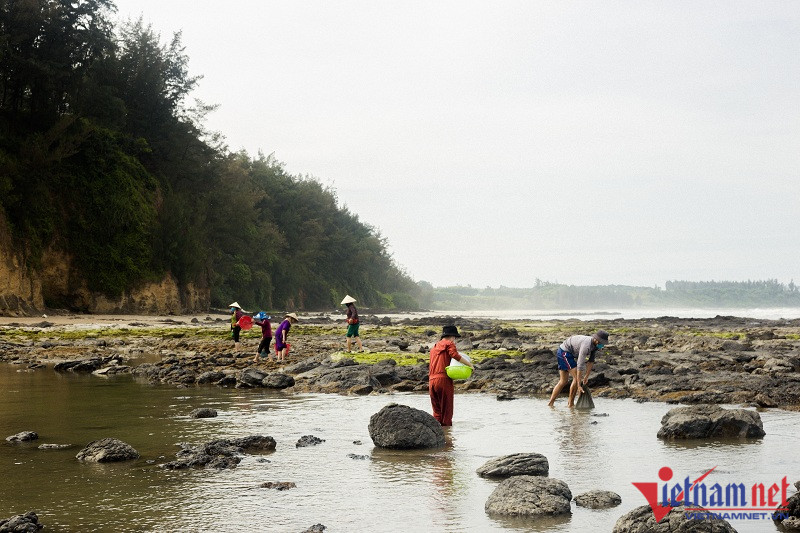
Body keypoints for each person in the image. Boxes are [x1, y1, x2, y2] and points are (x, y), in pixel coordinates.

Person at [547, 329, 609, 407]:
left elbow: (591, 361)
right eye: (602, 343)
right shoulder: (586, 346)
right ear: (597, 340)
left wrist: (586, 377)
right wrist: (579, 385)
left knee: (563, 381)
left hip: (569, 353)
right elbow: (580, 365)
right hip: (564, 353)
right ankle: (570, 404)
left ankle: (550, 404)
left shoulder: (595, 346)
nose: (602, 345)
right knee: (576, 379)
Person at [428, 325, 473, 426]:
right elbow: (455, 355)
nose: (455, 340)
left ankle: (439, 436)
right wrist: (469, 365)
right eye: (455, 338)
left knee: (437, 412)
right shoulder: (449, 344)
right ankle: (448, 439)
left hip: (431, 381)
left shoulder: (434, 347)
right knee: (447, 412)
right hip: (443, 380)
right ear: (452, 336)